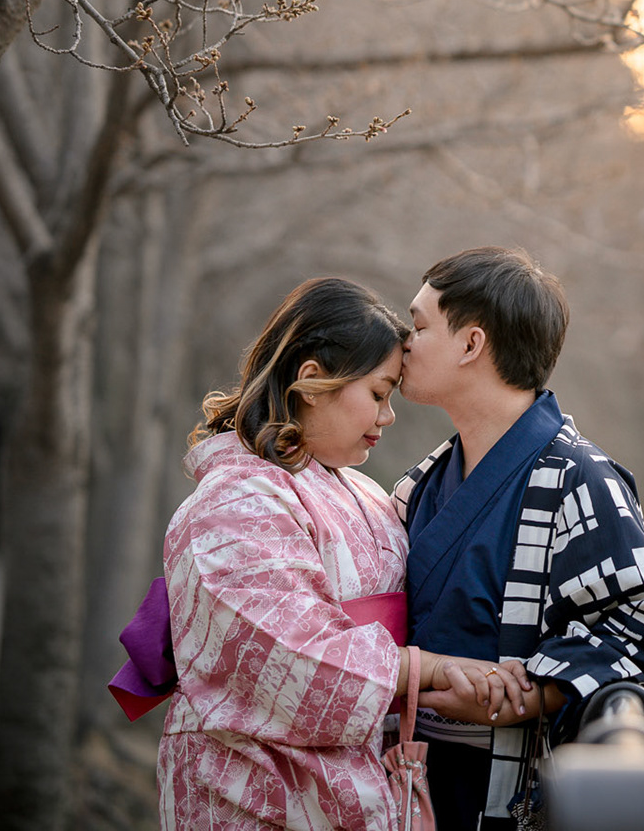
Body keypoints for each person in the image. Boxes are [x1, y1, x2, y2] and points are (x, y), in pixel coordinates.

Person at [158, 277, 518, 830]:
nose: (388, 415)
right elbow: (288, 658)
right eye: (377, 393)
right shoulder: (235, 500)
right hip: (249, 787)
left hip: (353, 774)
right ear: (312, 381)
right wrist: (432, 668)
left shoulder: (365, 493)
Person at [393, 247, 644, 829]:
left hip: (500, 780)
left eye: (419, 326)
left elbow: (643, 628)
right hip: (407, 777)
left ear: (471, 344)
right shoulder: (421, 483)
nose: (403, 342)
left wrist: (523, 695)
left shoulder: (581, 478)